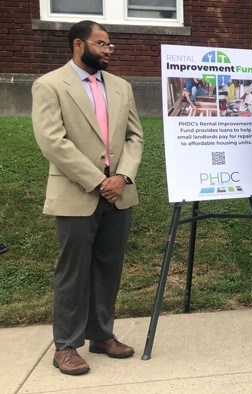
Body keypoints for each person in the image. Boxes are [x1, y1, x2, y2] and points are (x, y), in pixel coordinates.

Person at [31, 20, 144, 375]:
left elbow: (135, 137)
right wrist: (99, 181)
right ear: (79, 45)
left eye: (110, 45)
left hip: (119, 194)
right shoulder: (49, 85)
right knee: (73, 272)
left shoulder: (122, 87)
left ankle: (101, 335)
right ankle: (65, 345)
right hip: (77, 193)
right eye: (102, 44)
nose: (108, 50)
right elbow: (53, 141)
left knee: (108, 269)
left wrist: (123, 177)